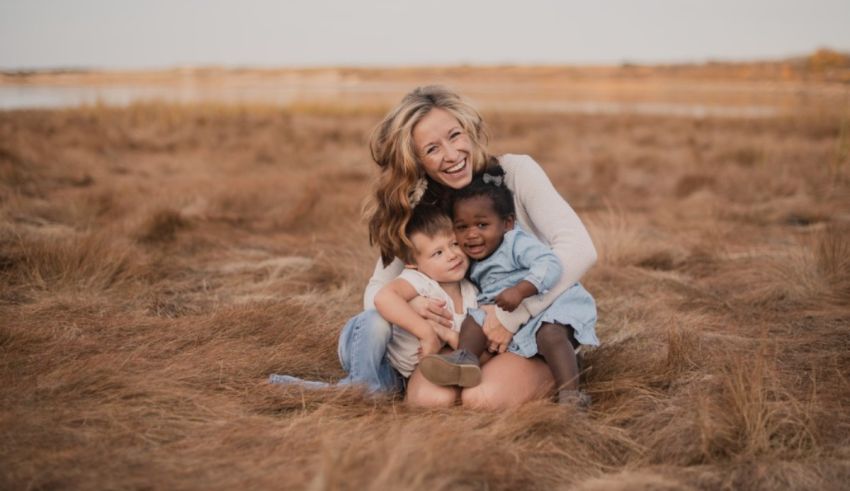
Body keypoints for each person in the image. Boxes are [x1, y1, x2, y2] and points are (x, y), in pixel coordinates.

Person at [349, 85, 598, 409]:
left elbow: (580, 248)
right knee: (428, 400)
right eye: (433, 148)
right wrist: (412, 309)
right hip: (469, 331)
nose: (451, 155)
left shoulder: (516, 172)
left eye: (455, 136)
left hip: (536, 320)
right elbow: (377, 290)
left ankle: (560, 371)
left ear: (469, 131)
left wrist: (510, 317)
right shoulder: (421, 207)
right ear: (416, 160)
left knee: (482, 398)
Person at [417, 165, 598, 406]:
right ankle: (465, 358)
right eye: (462, 227)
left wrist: (522, 289)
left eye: (482, 225)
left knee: (550, 336)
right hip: (505, 312)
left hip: (550, 305)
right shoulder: (470, 255)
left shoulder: (515, 242)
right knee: (475, 319)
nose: (471, 234)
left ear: (508, 224)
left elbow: (548, 263)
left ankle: (570, 394)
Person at [372, 204, 480, 402]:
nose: (452, 255)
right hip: (387, 371)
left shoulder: (471, 291)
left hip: (417, 373)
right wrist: (427, 333)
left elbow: (463, 342)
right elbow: (383, 298)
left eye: (454, 244)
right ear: (413, 264)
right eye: (437, 253)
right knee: (362, 388)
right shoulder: (420, 281)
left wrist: (448, 334)